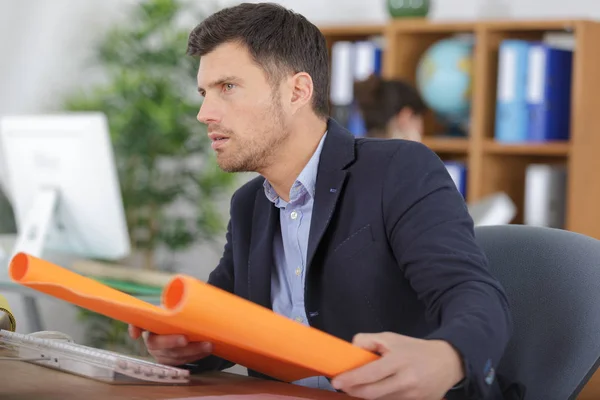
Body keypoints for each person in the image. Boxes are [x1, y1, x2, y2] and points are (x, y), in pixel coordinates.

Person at [129, 3, 518, 399]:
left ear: (298, 91)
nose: (204, 113)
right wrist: (182, 344)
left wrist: (446, 355)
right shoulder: (249, 205)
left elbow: (473, 294)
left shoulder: (399, 169)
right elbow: (223, 327)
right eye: (204, 92)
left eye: (227, 87)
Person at [354, 73, 426, 142]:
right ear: (406, 115)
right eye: (419, 117)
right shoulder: (412, 151)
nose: (422, 128)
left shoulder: (362, 148)